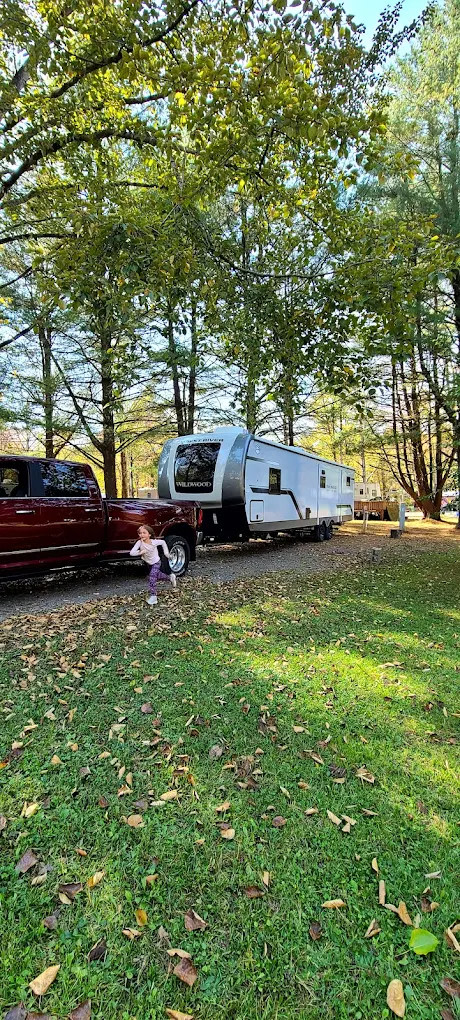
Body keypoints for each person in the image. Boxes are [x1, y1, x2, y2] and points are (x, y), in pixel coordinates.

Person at [130, 524, 177, 606]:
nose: (142, 535)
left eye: (144, 533)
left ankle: (153, 597)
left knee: (152, 577)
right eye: (140, 533)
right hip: (148, 563)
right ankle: (170, 578)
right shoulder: (139, 543)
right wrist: (140, 552)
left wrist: (166, 553)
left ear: (149, 534)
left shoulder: (154, 542)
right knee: (158, 576)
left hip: (156, 562)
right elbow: (131, 553)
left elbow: (163, 542)